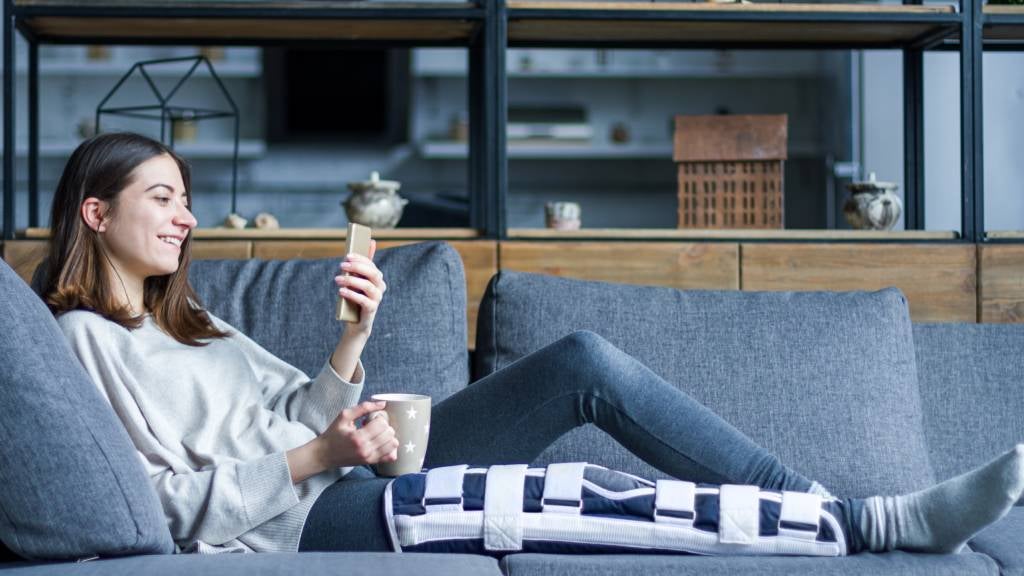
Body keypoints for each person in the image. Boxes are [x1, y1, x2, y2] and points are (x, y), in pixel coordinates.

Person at [42, 132, 1023, 557]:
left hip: (343, 478)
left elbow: (295, 414)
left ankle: (821, 510)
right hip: (303, 522)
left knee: (584, 364)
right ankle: (875, 529)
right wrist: (323, 456)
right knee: (580, 497)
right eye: (162, 198)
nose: (186, 218)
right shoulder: (83, 341)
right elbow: (157, 507)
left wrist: (351, 344)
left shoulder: (191, 320)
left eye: (185, 197)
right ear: (96, 211)